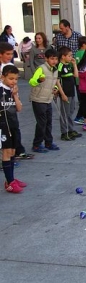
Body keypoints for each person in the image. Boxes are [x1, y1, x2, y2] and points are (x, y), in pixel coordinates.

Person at [29, 48, 60, 153]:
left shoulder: (55, 70)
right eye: (52, 59)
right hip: (38, 99)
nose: (54, 61)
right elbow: (32, 81)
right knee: (42, 123)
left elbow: (54, 83)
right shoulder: (41, 69)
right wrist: (38, 80)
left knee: (48, 122)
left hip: (48, 99)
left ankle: (48, 142)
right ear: (46, 59)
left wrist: (55, 89)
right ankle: (37, 144)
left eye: (56, 59)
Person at [0, 65, 26, 193]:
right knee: (6, 152)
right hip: (3, 126)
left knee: (12, 152)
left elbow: (19, 108)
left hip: (13, 124)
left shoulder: (14, 90)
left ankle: (11, 178)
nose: (13, 81)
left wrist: (15, 95)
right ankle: (9, 182)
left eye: (16, 79)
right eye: (11, 78)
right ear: (2, 77)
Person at [56, 46, 82, 141]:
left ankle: (71, 130)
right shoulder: (60, 66)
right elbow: (57, 80)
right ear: (63, 56)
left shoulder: (69, 65)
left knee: (70, 112)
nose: (71, 57)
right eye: (69, 56)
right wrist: (62, 94)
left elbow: (76, 75)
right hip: (65, 93)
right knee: (65, 113)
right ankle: (64, 132)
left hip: (71, 92)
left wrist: (74, 65)